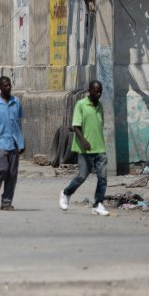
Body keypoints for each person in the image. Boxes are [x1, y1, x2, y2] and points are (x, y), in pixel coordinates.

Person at [60, 80, 110, 216]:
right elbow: (75, 126)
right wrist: (84, 141)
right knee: (82, 176)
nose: (99, 94)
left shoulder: (100, 106)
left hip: (99, 148)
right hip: (84, 148)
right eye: (96, 91)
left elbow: (99, 126)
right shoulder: (81, 104)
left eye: (100, 91)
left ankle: (98, 204)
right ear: (89, 90)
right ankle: (66, 193)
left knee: (103, 177)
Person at [0, 76, 24, 211]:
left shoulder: (16, 102)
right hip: (0, 142)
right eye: (5, 86)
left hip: (14, 143)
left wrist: (21, 142)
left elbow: (18, 123)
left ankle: (6, 202)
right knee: (2, 169)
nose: (8, 87)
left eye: (9, 85)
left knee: (12, 175)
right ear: (0, 87)